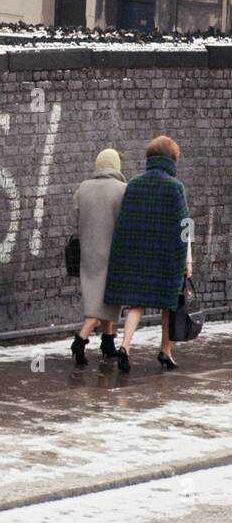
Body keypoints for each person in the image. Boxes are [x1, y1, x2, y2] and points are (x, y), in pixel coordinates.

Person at [104, 136, 194, 374]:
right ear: (172, 159)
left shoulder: (134, 184)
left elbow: (124, 223)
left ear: (149, 158)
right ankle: (166, 351)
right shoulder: (176, 187)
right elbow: (186, 226)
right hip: (167, 257)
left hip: (139, 255)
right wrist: (188, 259)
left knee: (137, 304)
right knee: (169, 303)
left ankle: (125, 346)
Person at [70, 149, 125, 365]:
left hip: (89, 251)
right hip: (113, 252)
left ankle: (108, 341)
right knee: (105, 300)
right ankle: (80, 340)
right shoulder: (123, 190)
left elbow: (72, 219)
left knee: (98, 296)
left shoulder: (83, 188)